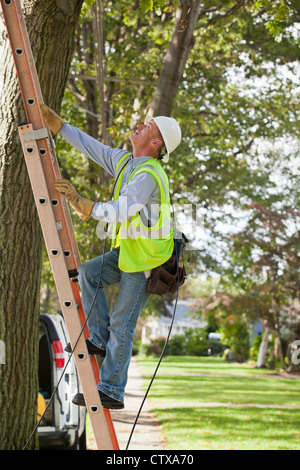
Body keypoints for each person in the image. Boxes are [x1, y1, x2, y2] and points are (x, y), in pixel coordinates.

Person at [40, 103, 182, 410]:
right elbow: (93, 148)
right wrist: (60, 126)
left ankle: (112, 390)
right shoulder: (127, 163)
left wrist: (85, 204)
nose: (141, 125)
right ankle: (99, 340)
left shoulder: (148, 175)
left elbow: (121, 211)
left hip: (147, 261)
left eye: (149, 126)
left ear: (156, 143)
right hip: (131, 252)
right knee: (89, 274)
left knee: (123, 323)